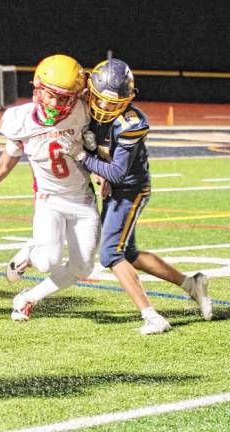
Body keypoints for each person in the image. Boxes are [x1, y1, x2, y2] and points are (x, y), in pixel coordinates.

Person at [59, 58, 212, 334]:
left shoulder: (131, 122)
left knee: (110, 254)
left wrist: (82, 157)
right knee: (128, 253)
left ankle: (152, 316)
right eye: (101, 100)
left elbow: (117, 172)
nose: (104, 107)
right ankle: (192, 283)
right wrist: (98, 170)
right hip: (115, 187)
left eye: (113, 103)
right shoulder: (87, 105)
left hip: (131, 189)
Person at [0, 54, 100, 322]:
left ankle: (28, 298)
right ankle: (30, 250)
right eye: (51, 95)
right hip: (49, 199)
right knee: (47, 261)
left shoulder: (83, 111)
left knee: (82, 267)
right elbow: (5, 164)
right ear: (38, 88)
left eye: (64, 98)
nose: (56, 103)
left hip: (83, 200)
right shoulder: (20, 120)